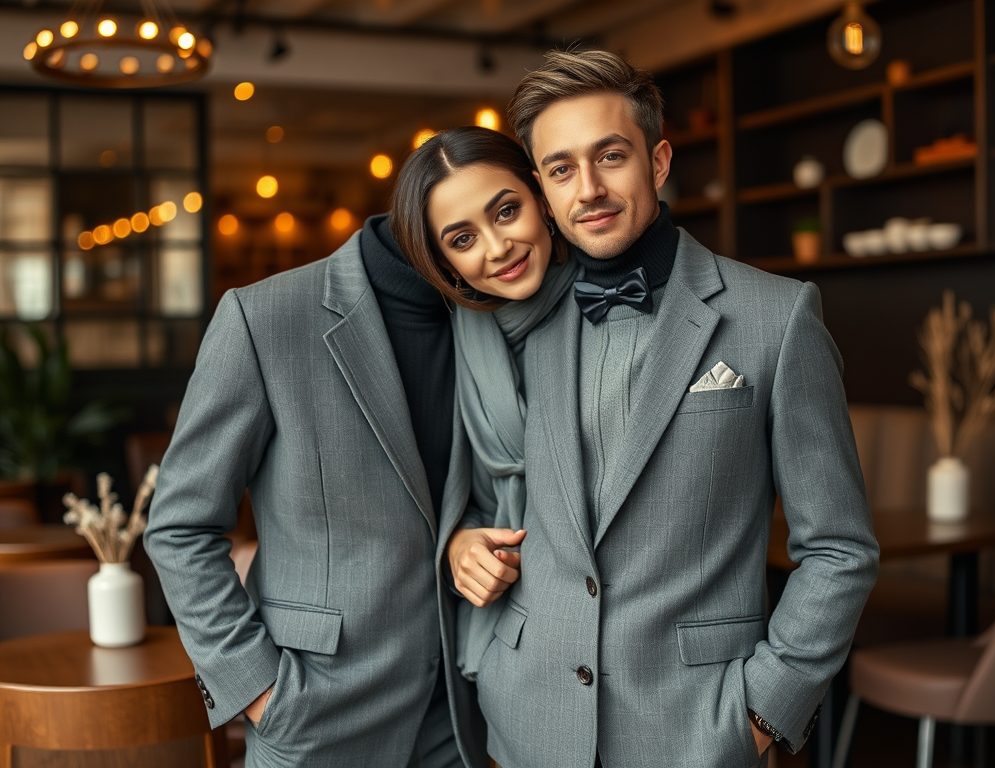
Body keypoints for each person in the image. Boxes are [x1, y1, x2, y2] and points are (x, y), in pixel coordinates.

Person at [443, 49, 880, 768]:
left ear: (659, 159)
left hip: (696, 728)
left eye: (610, 155)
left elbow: (839, 548)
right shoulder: (512, 323)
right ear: (543, 191)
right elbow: (493, 492)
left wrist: (763, 709)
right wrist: (464, 542)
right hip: (527, 717)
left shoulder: (776, 317)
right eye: (560, 169)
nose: (588, 189)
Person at [144, 210, 487, 767]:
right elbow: (179, 527)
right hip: (317, 715)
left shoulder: (491, 312)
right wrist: (260, 690)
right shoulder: (264, 316)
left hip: (457, 715)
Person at [390, 125, 576, 678]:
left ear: (542, 199)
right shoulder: (453, 338)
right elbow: (462, 487)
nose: (497, 249)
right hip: (509, 639)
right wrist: (463, 543)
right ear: (443, 263)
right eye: (462, 239)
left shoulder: (611, 303)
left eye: (505, 211)